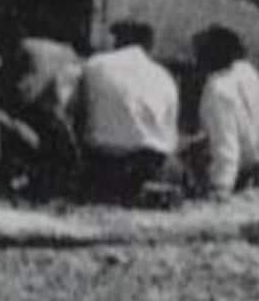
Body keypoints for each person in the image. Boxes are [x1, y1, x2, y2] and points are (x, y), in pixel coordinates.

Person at [0, 19, 81, 201]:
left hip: (54, 149)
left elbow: (24, 99)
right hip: (67, 144)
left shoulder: (28, 57)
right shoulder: (57, 53)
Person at [71, 20, 181, 202]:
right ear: (149, 45)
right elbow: (170, 137)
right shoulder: (164, 76)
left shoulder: (94, 64)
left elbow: (76, 111)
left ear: (117, 41)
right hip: (151, 163)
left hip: (104, 162)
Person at [191, 25, 259, 198]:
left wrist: (221, 185)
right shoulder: (246, 71)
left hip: (238, 169)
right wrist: (253, 127)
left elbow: (226, 141)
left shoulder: (217, 89)